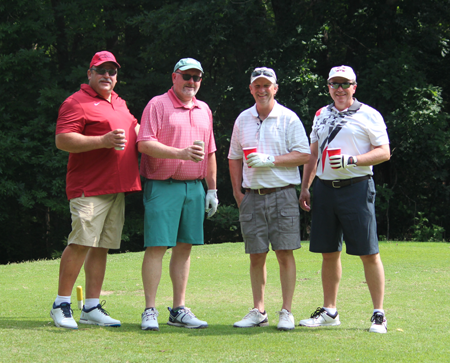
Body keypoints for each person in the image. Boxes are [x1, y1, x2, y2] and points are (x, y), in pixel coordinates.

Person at [50, 51, 141, 329]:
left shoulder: (120, 103)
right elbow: (63, 140)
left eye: (112, 72)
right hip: (88, 188)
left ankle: (91, 306)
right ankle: (61, 303)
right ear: (89, 73)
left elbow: (136, 130)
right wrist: (102, 140)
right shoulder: (76, 102)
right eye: (101, 70)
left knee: (101, 247)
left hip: (116, 188)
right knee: (80, 243)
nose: (107, 76)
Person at [298, 65, 390, 333]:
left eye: (345, 84)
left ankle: (378, 314)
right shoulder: (320, 114)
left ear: (354, 87)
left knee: (368, 252)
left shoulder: (369, 115)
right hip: (325, 189)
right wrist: (306, 186)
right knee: (328, 252)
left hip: (357, 187)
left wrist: (353, 160)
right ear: (328, 86)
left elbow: (384, 152)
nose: (339, 89)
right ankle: (330, 311)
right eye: (334, 84)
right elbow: (312, 155)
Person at [137, 58, 218, 331]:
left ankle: (179, 309)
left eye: (196, 78)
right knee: (158, 246)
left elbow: (210, 152)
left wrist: (213, 189)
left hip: (194, 187)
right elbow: (145, 144)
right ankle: (150, 309)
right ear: (174, 77)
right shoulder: (158, 105)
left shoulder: (204, 109)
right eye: (186, 77)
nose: (191, 82)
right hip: (162, 184)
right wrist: (180, 153)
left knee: (184, 248)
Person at [228, 67, 311, 330]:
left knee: (284, 253)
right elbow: (234, 156)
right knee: (256, 255)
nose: (262, 90)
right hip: (252, 195)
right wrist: (237, 192)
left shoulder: (288, 118)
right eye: (257, 86)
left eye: (267, 86)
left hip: (283, 193)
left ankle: (286, 311)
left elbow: (304, 154)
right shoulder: (243, 119)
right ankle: (258, 310)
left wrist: (271, 160)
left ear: (275, 88)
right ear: (251, 89)